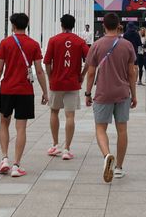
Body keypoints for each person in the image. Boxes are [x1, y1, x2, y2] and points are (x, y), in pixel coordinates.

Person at [0, 12, 49, 178]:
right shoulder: (34, 44)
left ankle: (4, 158)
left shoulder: (5, 43)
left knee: (3, 123)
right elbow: (39, 70)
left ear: (13, 26)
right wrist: (45, 91)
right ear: (27, 25)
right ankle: (16, 165)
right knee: (21, 127)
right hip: (25, 90)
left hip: (7, 89)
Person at [84, 11, 137, 183]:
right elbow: (132, 72)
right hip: (122, 93)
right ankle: (119, 167)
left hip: (102, 93)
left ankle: (107, 155)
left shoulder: (97, 45)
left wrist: (87, 93)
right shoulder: (127, 45)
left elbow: (91, 72)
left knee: (100, 128)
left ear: (104, 25)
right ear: (118, 24)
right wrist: (134, 94)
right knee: (122, 130)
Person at [44, 14, 89, 161]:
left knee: (54, 112)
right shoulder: (80, 41)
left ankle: (55, 144)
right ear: (73, 25)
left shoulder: (53, 40)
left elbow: (47, 62)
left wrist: (50, 77)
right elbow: (89, 60)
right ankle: (67, 149)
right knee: (70, 116)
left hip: (56, 82)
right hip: (72, 83)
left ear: (61, 25)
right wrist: (82, 74)